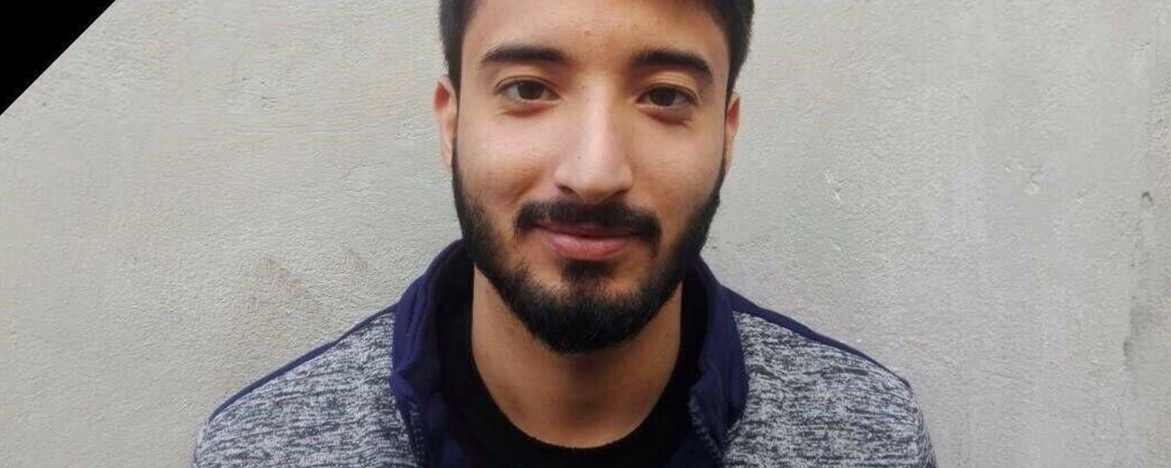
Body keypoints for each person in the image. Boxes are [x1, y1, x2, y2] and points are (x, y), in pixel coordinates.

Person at [192, 0, 936, 466]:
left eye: (664, 96)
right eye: (528, 89)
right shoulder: (260, 450)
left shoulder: (870, 440)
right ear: (451, 123)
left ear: (725, 133)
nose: (594, 171)